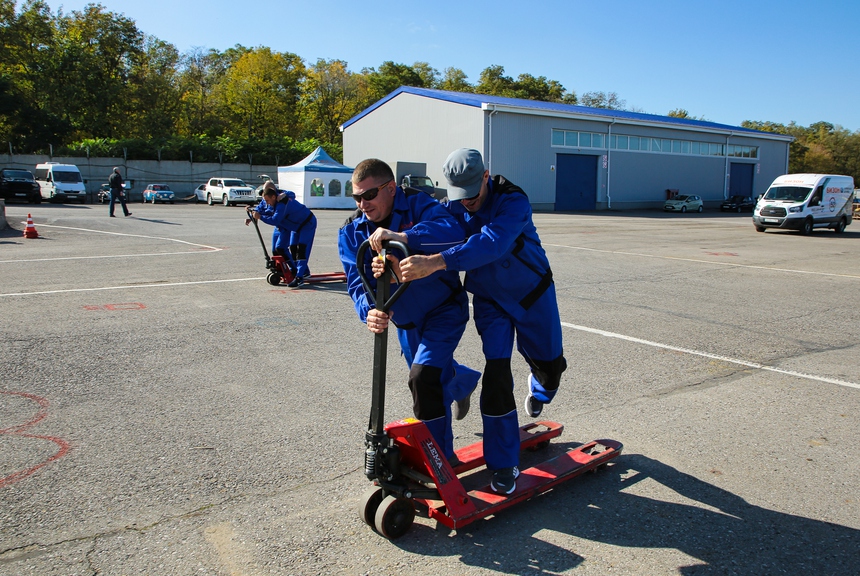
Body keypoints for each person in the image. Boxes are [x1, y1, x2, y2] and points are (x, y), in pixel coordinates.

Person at [398, 148, 567, 495]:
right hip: (490, 301)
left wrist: (437, 262)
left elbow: (492, 244)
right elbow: (434, 229)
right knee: (497, 375)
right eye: (461, 197)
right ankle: (505, 464)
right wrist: (401, 238)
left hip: (531, 294)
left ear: (486, 177)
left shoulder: (513, 201)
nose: (468, 203)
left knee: (550, 365)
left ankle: (541, 390)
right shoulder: (453, 206)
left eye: (473, 195)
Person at [338, 158, 480, 465]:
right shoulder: (352, 231)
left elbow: (455, 232)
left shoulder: (419, 205)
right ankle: (462, 380)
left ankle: (441, 461)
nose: (363, 203)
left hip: (443, 310)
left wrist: (405, 237)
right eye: (357, 197)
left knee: (423, 379)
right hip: (406, 321)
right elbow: (356, 282)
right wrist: (368, 312)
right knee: (431, 376)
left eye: (370, 195)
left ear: (390, 188)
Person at [246, 181, 316, 287]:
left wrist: (260, 217)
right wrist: (252, 216)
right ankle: (298, 270)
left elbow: (275, 220)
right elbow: (260, 209)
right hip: (295, 226)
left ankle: (300, 277)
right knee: (293, 248)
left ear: (274, 195)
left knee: (301, 249)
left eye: (268, 200)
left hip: (307, 223)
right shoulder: (269, 200)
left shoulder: (282, 202)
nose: (267, 203)